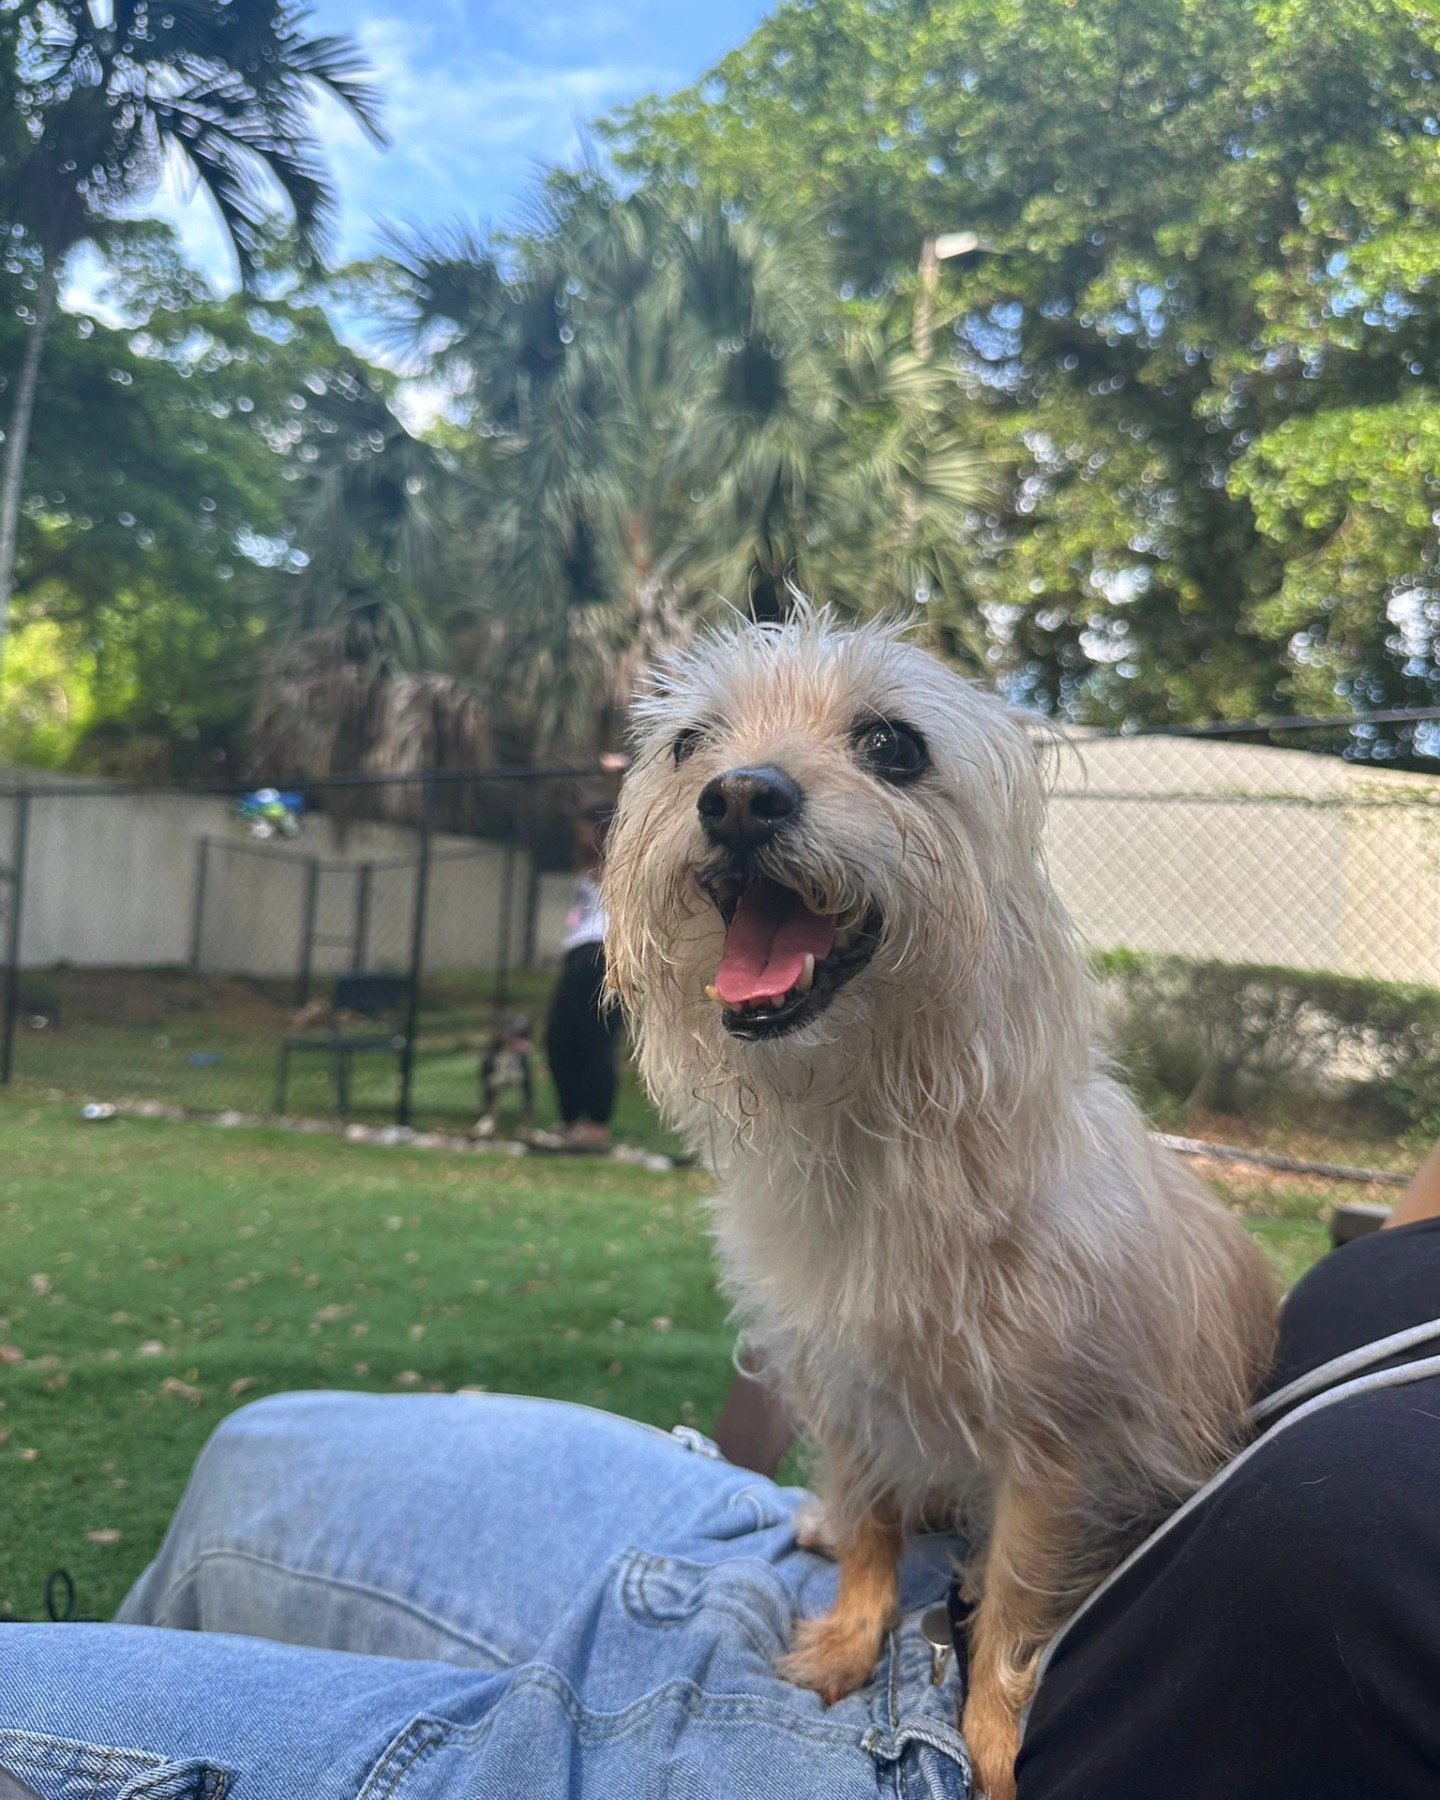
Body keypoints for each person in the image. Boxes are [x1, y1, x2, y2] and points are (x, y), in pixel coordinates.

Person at [3, 1157, 1440, 1799]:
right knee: (269, 1453)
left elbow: (1069, 1423)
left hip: (1017, 1729)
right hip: (888, 1561)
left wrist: (1004, 1680)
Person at [540, 800, 622, 1151]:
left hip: (605, 954)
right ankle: (572, 1121)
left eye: (585, 828)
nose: (579, 836)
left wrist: (612, 778)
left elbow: (625, 813)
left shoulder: (620, 861)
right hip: (577, 955)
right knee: (558, 1039)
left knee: (597, 1041)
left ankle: (595, 1127)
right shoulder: (585, 868)